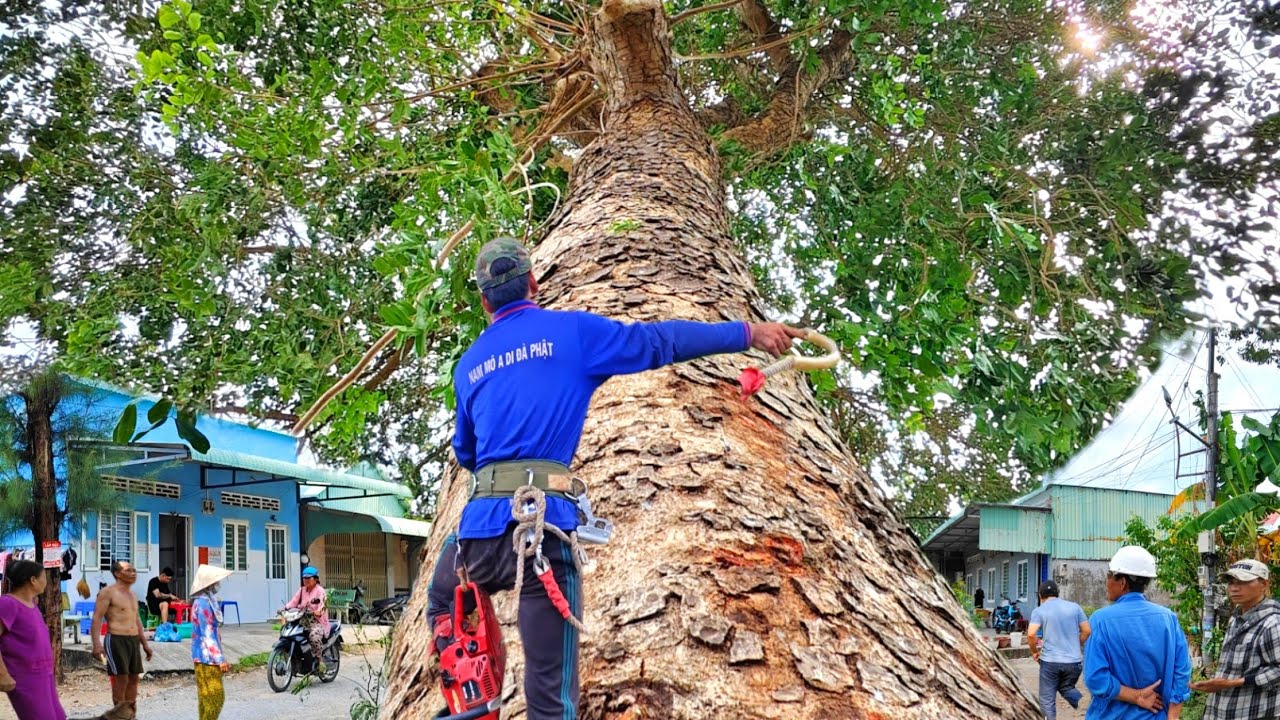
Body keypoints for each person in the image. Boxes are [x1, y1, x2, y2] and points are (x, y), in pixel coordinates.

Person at [426, 236, 807, 719]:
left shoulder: (469, 365)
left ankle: (470, 700)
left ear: (485, 302)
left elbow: (467, 452)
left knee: (443, 603)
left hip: (474, 538)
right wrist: (746, 333)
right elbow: (659, 342)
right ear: (533, 283)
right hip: (538, 529)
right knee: (549, 697)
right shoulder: (572, 335)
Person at [1084, 545, 1191, 719]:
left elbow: (1096, 679)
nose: (1107, 581)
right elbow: (1182, 671)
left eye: (1109, 575)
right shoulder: (1168, 618)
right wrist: (1173, 715)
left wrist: (1136, 696)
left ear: (1122, 582)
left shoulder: (1100, 620)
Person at [1191, 559, 1280, 719]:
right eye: (1231, 582)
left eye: (1243, 582)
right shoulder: (1237, 618)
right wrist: (1217, 683)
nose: (1234, 588)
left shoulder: (1272, 623)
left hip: (1252, 712)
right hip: (1224, 709)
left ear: (1264, 584)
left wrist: (1231, 683)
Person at [0, 559, 67, 720]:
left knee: (58, 717)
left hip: (44, 674)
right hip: (24, 676)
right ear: (33, 580)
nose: (46, 581)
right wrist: (2, 674)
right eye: (44, 576)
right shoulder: (8, 604)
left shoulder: (31, 604)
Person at [91, 560, 153, 717]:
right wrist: (96, 644)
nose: (133, 573)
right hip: (116, 640)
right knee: (121, 679)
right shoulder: (107, 592)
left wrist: (144, 644)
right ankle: (118, 715)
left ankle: (130, 714)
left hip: (133, 641)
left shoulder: (132, 594)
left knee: (134, 679)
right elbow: (97, 618)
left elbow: (136, 620)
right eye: (128, 570)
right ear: (117, 574)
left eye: (134, 570)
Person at [1027, 579, 1091, 719]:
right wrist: (1075, 645)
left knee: (1047, 701)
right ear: (1058, 593)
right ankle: (1084, 706)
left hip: (1050, 662)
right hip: (1074, 662)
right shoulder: (1075, 607)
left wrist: (1034, 652)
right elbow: (1086, 630)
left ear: (1040, 596)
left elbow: (1031, 634)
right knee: (1066, 687)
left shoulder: (1039, 610)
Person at [189, 564, 233, 720]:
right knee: (216, 698)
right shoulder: (204, 604)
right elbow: (208, 634)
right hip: (208, 657)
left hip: (199, 656)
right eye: (216, 582)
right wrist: (220, 659)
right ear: (209, 584)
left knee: (205, 698)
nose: (218, 585)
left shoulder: (200, 601)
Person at [283, 566, 328, 672]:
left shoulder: (320, 591)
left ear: (315, 579)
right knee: (291, 635)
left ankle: (320, 660)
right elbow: (294, 601)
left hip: (317, 621)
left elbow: (323, 605)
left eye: (309, 578)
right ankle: (297, 659)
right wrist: (285, 608)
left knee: (313, 636)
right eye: (304, 578)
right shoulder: (302, 590)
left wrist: (318, 611)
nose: (306, 580)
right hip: (302, 619)